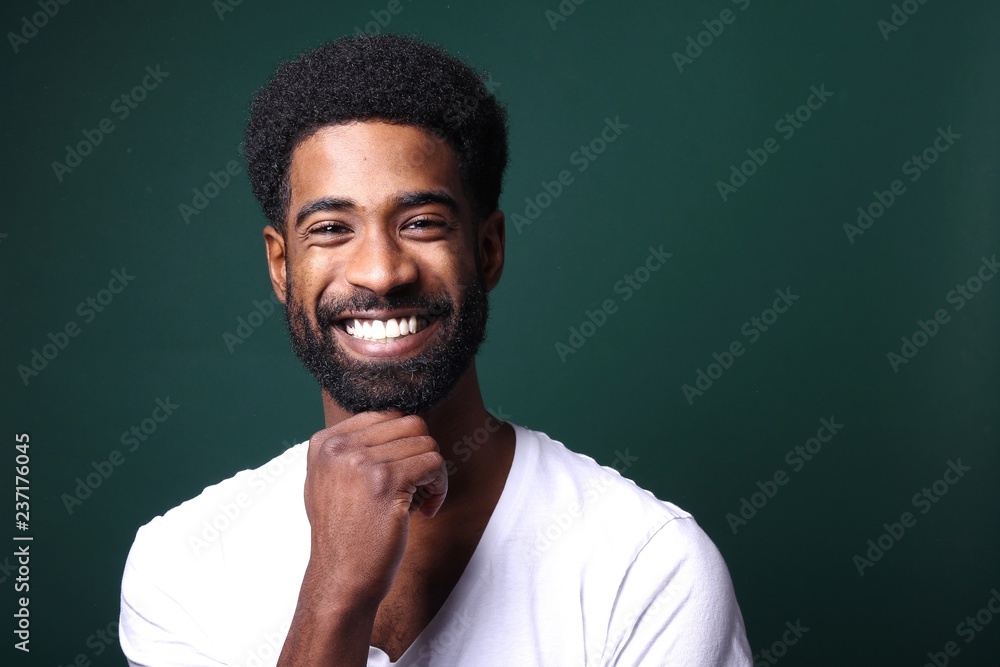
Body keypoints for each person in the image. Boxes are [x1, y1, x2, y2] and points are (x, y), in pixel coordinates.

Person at [119, 34, 752, 666]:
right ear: (281, 266)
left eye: (421, 223)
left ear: (488, 249)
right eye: (332, 229)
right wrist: (334, 593)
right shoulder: (182, 565)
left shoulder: (647, 568)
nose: (381, 272)